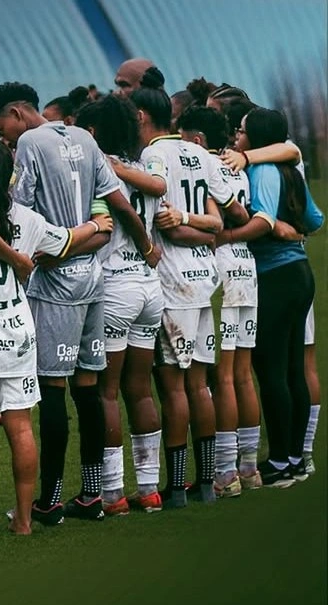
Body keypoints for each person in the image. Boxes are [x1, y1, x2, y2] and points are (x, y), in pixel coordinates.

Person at [0, 82, 156, 524]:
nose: (4, 138)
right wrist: (146, 244)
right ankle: (92, 495)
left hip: (56, 282)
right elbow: (117, 205)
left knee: (53, 390)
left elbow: (19, 213)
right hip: (94, 278)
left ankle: (50, 501)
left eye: (2, 127)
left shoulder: (30, 145)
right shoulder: (83, 137)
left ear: (18, 113)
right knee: (89, 388)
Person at [0, 137, 112, 539]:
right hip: (20, 336)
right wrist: (94, 224)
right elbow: (67, 242)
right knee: (21, 429)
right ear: (11, 176)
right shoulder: (29, 219)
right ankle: (22, 521)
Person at [133, 86, 230, 507]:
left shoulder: (153, 158)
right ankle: (205, 483)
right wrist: (202, 230)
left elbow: (169, 227)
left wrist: (180, 224)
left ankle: (175, 489)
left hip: (174, 283)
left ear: (141, 118)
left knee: (173, 389)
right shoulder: (201, 155)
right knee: (200, 387)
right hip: (205, 279)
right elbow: (216, 223)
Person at [76, 95, 166, 515]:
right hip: (151, 289)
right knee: (140, 389)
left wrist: (145, 243)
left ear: (94, 132)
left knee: (107, 393)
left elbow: (118, 211)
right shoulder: (143, 166)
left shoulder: (100, 165)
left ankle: (111, 494)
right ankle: (148, 489)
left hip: (116, 286)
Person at [226, 108, 322, 486]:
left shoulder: (263, 171)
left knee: (271, 371)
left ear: (256, 137)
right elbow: (315, 221)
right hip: (300, 274)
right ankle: (296, 458)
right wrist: (293, 226)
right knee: (293, 367)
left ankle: (280, 461)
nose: (237, 136)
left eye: (242, 130)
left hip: (276, 276)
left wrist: (229, 233)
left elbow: (261, 220)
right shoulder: (289, 169)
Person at [178, 105, 258, 498]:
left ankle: (225, 473)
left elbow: (222, 218)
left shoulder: (203, 164)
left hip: (220, 269)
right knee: (243, 374)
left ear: (197, 140)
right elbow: (242, 211)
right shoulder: (238, 167)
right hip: (248, 268)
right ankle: (248, 467)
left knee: (222, 377)